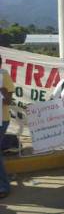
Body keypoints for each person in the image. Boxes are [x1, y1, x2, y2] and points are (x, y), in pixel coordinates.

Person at [0, 55, 14, 199]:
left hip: (1, 119)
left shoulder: (3, 75)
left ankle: (4, 186)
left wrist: (3, 92)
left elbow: (8, 101)